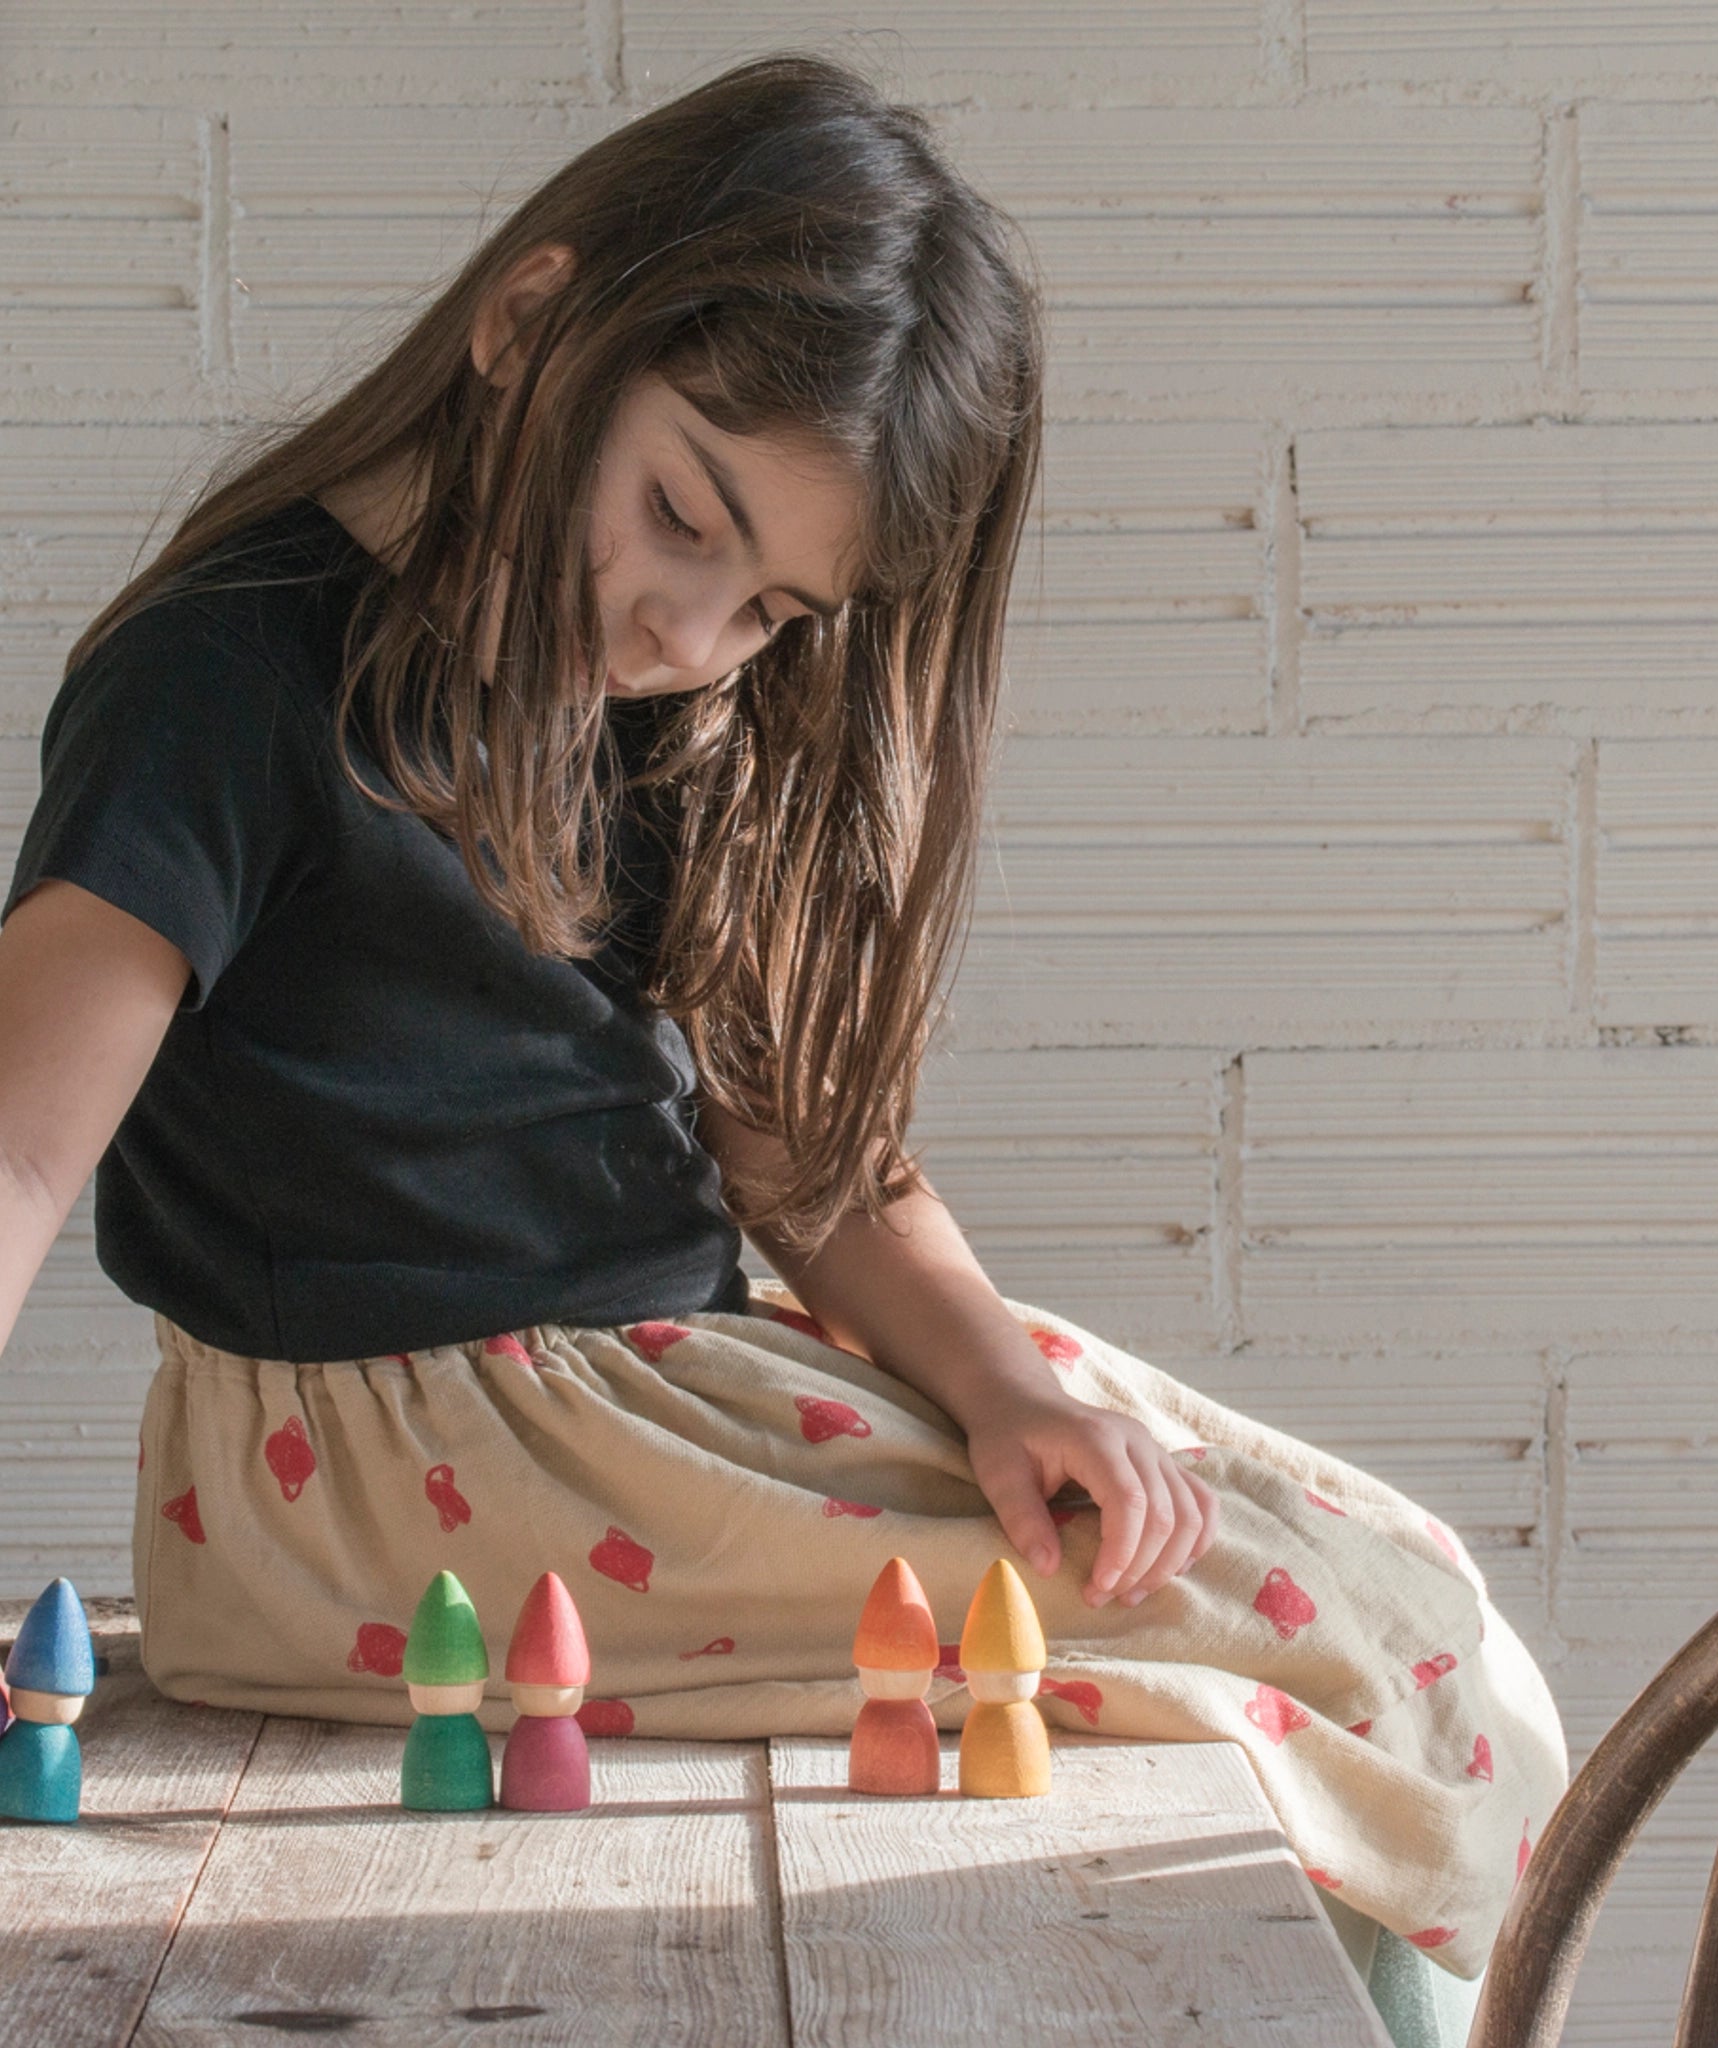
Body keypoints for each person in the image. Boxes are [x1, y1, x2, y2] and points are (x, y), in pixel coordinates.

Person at [0, 50, 1565, 2029]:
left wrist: (1003, 1379)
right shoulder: (221, 682)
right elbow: (21, 1147)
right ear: (524, 324)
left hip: (638, 1395)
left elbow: (798, 1158)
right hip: (377, 1482)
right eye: (680, 517)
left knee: (1406, 1591)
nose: (688, 633)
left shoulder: (639, 703)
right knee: (1312, 1653)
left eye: (767, 611)